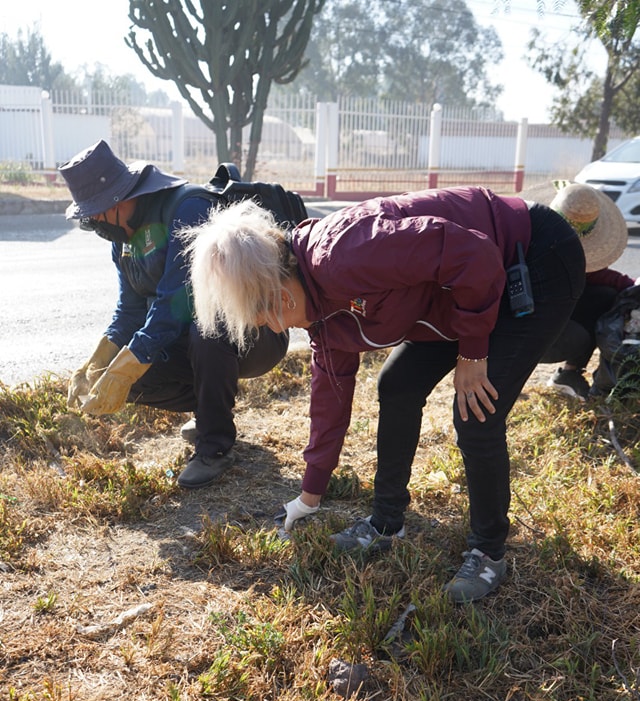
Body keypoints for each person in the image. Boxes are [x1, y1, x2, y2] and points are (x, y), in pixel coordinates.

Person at [182, 183, 591, 602]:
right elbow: (330, 398)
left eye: (262, 316)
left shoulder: (344, 255)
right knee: (396, 385)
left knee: (475, 411)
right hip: (459, 291)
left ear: (280, 294)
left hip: (531, 256)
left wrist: (472, 355)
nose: (272, 328)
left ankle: (488, 551)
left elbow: (475, 255)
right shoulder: (320, 312)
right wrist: (310, 495)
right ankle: (386, 523)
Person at [59, 139, 289, 489]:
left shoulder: (188, 207)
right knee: (128, 377)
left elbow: (176, 300)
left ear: (118, 198)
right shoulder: (123, 238)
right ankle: (212, 409)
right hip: (199, 339)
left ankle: (215, 446)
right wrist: (97, 363)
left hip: (257, 333)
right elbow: (130, 310)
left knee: (206, 325)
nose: (94, 222)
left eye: (95, 211)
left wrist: (128, 362)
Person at [522, 181, 633, 400]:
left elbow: (597, 276)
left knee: (607, 297)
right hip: (517, 327)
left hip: (547, 313)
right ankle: (500, 377)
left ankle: (568, 375)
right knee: (579, 338)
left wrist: (632, 284)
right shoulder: (530, 247)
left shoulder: (575, 261)